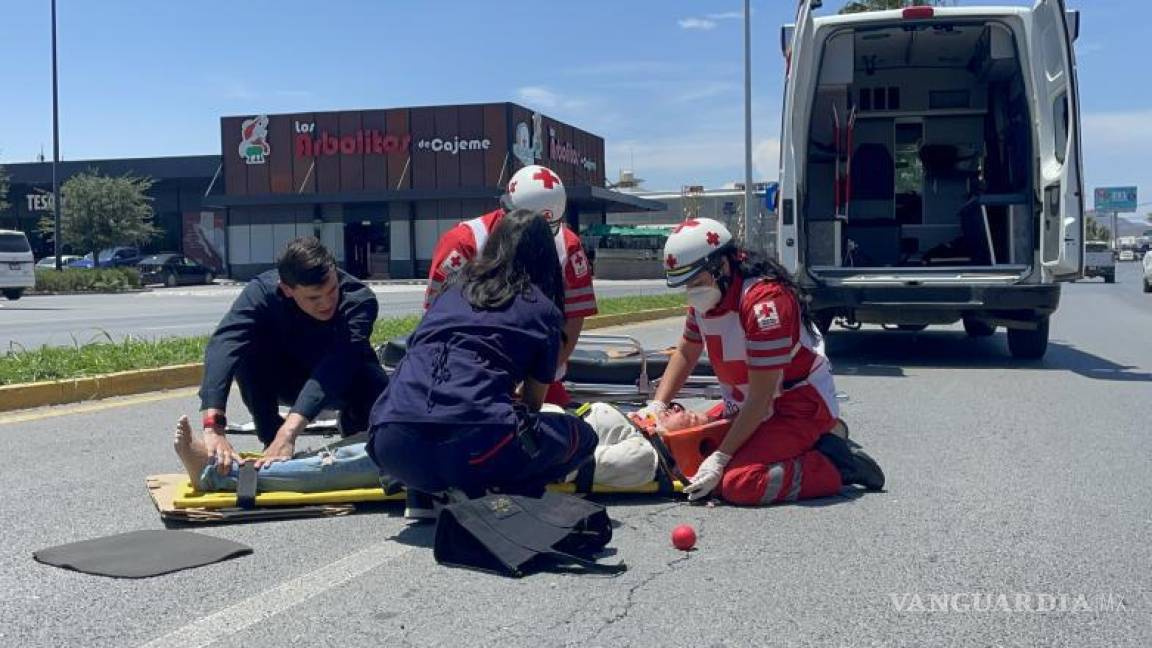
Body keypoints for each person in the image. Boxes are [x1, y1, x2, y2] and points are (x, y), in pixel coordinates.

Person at [637, 218, 885, 504]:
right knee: (683, 455)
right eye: (687, 286)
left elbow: (761, 397)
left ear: (723, 265)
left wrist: (720, 459)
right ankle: (815, 440)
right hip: (747, 404)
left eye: (697, 283)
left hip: (795, 406)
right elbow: (686, 351)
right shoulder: (709, 299)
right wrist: (657, 405)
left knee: (739, 483)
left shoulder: (765, 304)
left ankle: (834, 463)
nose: (693, 293)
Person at [370, 209, 598, 507]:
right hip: (473, 447)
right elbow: (532, 405)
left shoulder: (450, 294)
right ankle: (505, 501)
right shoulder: (541, 309)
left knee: (439, 427)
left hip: (390, 444)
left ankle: (424, 495)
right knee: (582, 436)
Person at [170, 403, 703, 494]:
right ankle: (236, 467)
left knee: (353, 465)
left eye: (691, 417)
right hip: (490, 435)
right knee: (351, 451)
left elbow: (560, 470)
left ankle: (221, 476)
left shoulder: (641, 458)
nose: (681, 408)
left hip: (482, 459)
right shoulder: (635, 430)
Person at [197, 237, 388, 470]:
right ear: (287, 289)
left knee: (375, 386)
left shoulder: (360, 300)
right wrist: (213, 426)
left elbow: (337, 366)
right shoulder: (262, 292)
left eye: (332, 290)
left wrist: (290, 432)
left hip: (345, 381)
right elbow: (224, 344)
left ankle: (356, 426)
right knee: (247, 352)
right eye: (313, 298)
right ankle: (272, 441)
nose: (327, 303)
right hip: (289, 379)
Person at [424, 164, 596, 405]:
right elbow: (435, 319)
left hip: (539, 374)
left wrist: (539, 375)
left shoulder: (568, 247)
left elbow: (573, 319)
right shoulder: (464, 242)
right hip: (462, 374)